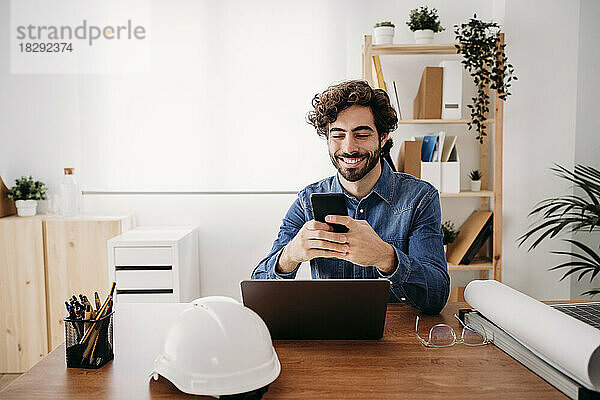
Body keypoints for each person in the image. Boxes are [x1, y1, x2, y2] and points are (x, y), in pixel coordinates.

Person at [251, 80, 449, 315]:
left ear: (383, 137)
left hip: (398, 340)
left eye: (361, 134)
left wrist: (386, 258)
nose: (349, 147)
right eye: (338, 135)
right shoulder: (307, 201)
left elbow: (436, 295)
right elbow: (258, 290)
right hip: (330, 336)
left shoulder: (419, 198)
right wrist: (291, 254)